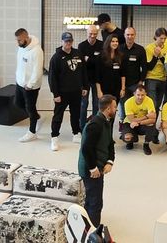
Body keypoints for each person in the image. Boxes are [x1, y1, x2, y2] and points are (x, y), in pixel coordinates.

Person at [78, 94, 116, 227]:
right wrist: (93, 168)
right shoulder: (95, 124)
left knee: (93, 199)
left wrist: (110, 161)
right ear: (108, 109)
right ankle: (92, 231)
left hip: (99, 167)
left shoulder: (106, 121)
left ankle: (87, 226)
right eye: (114, 107)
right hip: (91, 169)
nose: (116, 109)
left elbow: (110, 143)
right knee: (95, 202)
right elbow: (86, 149)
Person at [48, 32, 88, 151]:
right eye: (66, 41)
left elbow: (83, 72)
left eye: (70, 41)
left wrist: (85, 87)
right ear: (62, 41)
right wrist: (55, 94)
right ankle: (54, 137)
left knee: (75, 114)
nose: (68, 43)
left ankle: (76, 133)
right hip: (62, 93)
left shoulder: (78, 53)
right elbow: (52, 78)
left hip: (76, 91)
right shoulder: (56, 57)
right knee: (58, 116)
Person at [15, 28, 44, 142]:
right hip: (20, 83)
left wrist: (30, 84)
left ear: (26, 38)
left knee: (30, 108)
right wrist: (18, 78)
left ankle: (32, 132)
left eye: (20, 40)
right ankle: (36, 116)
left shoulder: (37, 51)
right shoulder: (21, 47)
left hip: (30, 87)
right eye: (17, 40)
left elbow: (38, 70)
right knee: (18, 103)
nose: (18, 43)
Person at [78, 25, 103, 130]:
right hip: (85, 79)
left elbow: (101, 62)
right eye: (90, 34)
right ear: (87, 33)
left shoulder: (101, 45)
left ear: (97, 34)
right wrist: (95, 60)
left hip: (97, 79)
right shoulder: (81, 46)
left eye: (95, 34)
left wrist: (89, 59)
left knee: (96, 104)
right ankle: (82, 126)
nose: (92, 36)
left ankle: (95, 125)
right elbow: (81, 63)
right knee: (83, 104)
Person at [119, 27, 147, 118]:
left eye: (132, 35)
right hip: (122, 84)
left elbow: (144, 67)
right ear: (124, 35)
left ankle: (135, 122)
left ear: (135, 35)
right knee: (123, 105)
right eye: (128, 34)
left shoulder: (140, 49)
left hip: (135, 83)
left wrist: (141, 81)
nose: (130, 37)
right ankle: (123, 122)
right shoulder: (119, 49)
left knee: (136, 105)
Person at [122, 85, 158, 155]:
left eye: (142, 95)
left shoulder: (149, 100)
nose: (140, 97)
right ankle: (131, 141)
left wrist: (139, 122)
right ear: (134, 94)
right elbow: (132, 120)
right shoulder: (128, 102)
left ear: (146, 94)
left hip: (141, 123)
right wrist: (146, 116)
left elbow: (153, 119)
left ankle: (146, 144)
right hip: (129, 123)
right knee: (127, 137)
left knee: (151, 124)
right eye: (138, 95)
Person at [145, 28, 167, 117]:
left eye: (164, 38)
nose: (163, 41)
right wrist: (155, 56)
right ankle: (149, 123)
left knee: (158, 104)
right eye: (161, 38)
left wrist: (161, 56)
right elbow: (149, 67)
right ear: (156, 37)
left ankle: (153, 122)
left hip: (163, 79)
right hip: (151, 78)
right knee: (152, 103)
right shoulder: (149, 48)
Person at [95, 35, 125, 103]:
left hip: (116, 88)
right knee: (105, 107)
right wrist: (99, 90)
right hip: (104, 88)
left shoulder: (121, 56)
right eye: (113, 41)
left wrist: (122, 89)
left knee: (114, 107)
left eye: (116, 41)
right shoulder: (101, 56)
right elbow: (97, 75)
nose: (115, 43)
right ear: (108, 42)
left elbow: (123, 74)